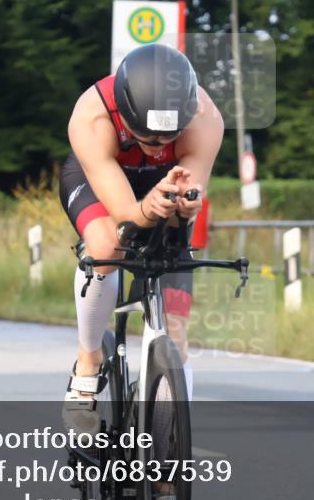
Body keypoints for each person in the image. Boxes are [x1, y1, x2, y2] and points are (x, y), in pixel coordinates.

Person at [59, 43, 223, 429]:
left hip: (163, 184)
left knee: (177, 332)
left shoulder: (206, 118)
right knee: (105, 244)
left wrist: (187, 203)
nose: (157, 146)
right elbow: (127, 214)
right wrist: (145, 210)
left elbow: (192, 188)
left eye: (168, 139)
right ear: (124, 115)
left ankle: (168, 446)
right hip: (103, 177)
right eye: (146, 138)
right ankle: (88, 361)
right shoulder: (91, 116)